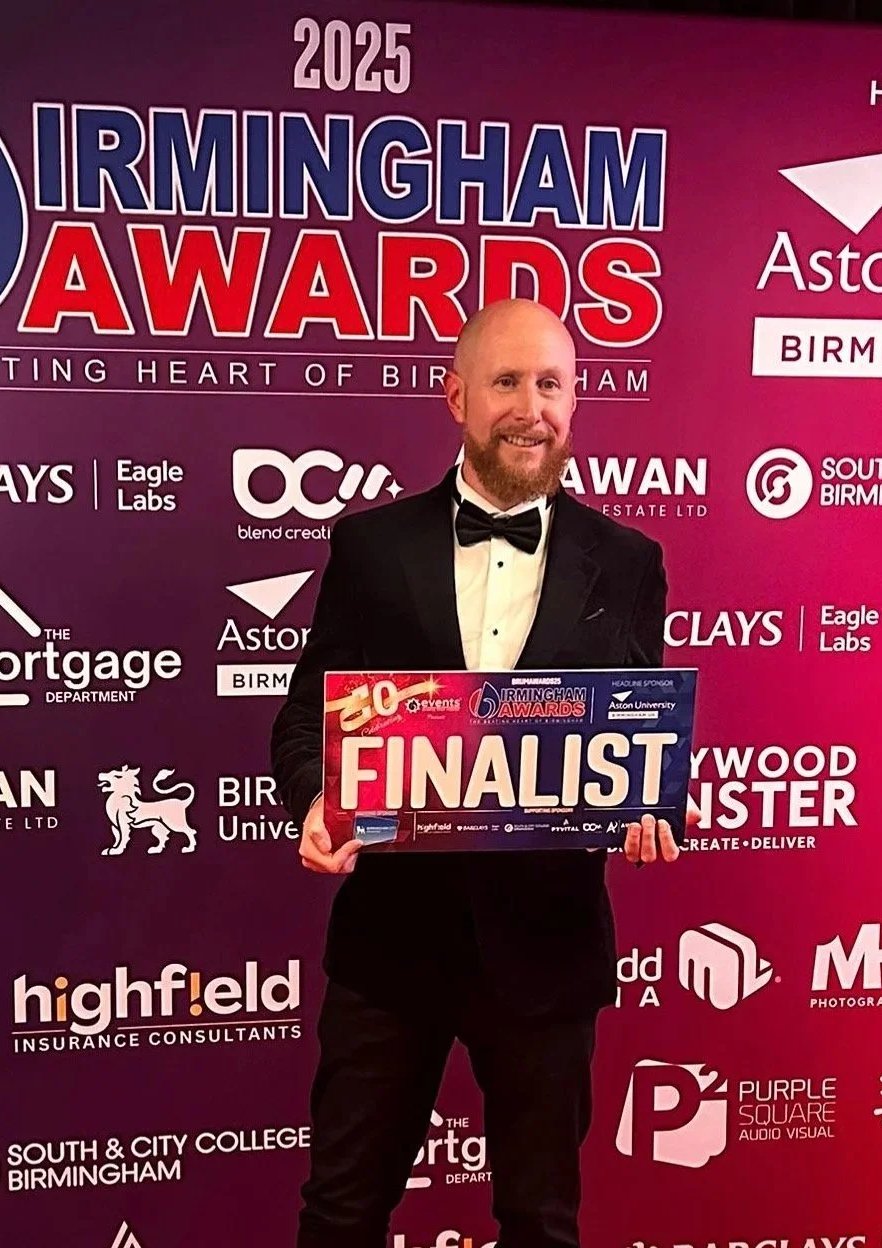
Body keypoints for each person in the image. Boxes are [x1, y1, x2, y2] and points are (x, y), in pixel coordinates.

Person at [270, 298, 696, 1248]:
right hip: (392, 947)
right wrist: (313, 797)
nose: (528, 407)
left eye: (550, 384)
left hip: (548, 952)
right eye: (506, 381)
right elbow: (307, 717)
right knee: (341, 1212)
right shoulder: (373, 548)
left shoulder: (630, 563)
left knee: (541, 1223)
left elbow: (636, 732)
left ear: (576, 401)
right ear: (457, 394)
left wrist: (646, 806)